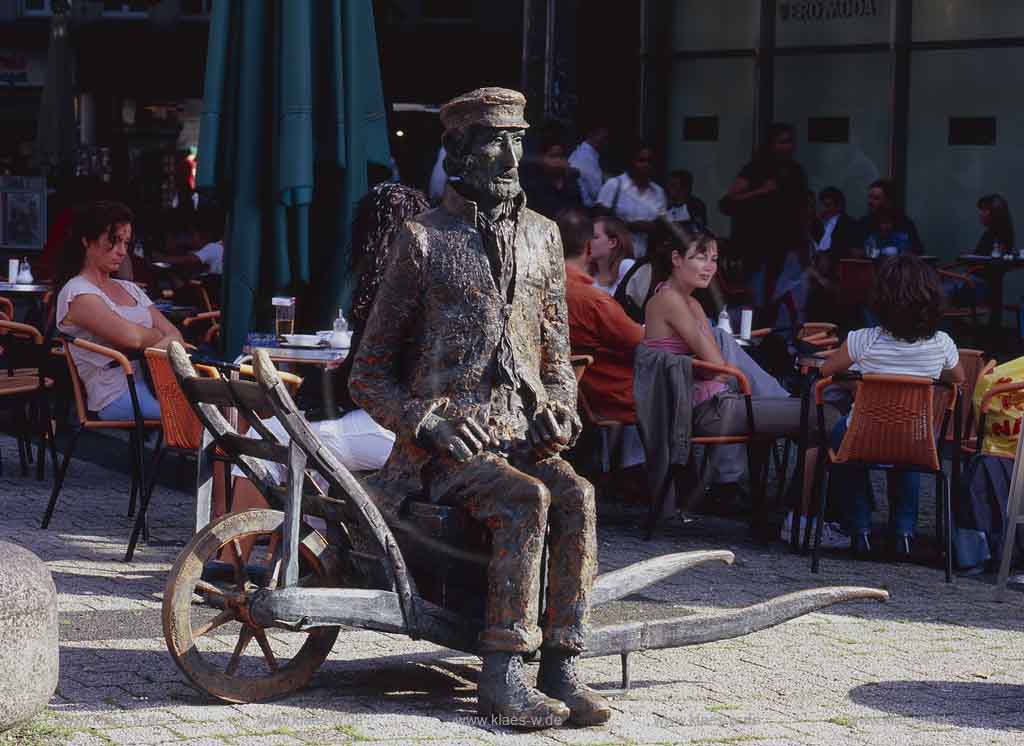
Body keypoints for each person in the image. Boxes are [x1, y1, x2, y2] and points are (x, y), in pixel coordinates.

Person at [350, 88, 610, 729]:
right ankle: (501, 674)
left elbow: (556, 359)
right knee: (527, 499)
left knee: (575, 493)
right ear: (459, 153)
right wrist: (428, 422)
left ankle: (560, 662)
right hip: (440, 455)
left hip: (520, 439)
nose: (511, 155)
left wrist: (559, 409)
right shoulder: (422, 239)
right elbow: (367, 375)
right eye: (495, 140)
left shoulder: (544, 238)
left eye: (518, 139)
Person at [642, 222, 843, 546]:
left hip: (715, 402)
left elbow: (718, 365)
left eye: (714, 259)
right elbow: (718, 365)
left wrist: (720, 370)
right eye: (700, 257)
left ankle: (800, 517)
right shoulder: (673, 301)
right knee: (829, 417)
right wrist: (720, 370)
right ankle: (803, 520)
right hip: (708, 411)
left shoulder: (687, 301)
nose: (710, 266)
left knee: (821, 417)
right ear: (676, 259)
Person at [820, 255, 964, 557]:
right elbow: (958, 377)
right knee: (909, 444)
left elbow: (827, 370)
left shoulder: (862, 340)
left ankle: (859, 529)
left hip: (862, 435)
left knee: (841, 437)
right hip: (915, 440)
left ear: (882, 299)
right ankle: (904, 533)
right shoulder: (941, 343)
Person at [55, 201, 183, 420]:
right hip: (114, 393)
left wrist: (147, 341)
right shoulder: (77, 292)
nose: (122, 251)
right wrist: (158, 337)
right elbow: (131, 338)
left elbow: (177, 336)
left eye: (126, 243)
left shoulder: (130, 288)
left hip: (154, 384)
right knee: (196, 418)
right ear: (87, 241)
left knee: (221, 412)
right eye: (114, 242)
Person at [559, 207, 645, 470]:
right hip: (612, 393)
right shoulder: (592, 299)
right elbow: (641, 342)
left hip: (579, 392)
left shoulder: (540, 287)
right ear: (588, 248)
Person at [718, 123, 809, 325]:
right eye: (782, 142)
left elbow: (802, 209)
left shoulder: (796, 171)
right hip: (756, 248)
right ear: (772, 145)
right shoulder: (755, 170)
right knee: (756, 301)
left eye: (790, 142)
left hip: (786, 248)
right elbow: (726, 203)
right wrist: (760, 192)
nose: (788, 147)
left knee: (785, 299)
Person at [596, 142, 667, 259]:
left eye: (650, 161)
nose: (646, 165)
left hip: (645, 257)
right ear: (631, 162)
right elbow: (599, 220)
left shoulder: (658, 192)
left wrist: (651, 227)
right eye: (641, 160)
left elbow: (662, 226)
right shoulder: (615, 185)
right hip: (615, 255)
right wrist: (628, 226)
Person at [523, 136, 581, 220]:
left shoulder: (571, 183)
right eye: (553, 156)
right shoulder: (534, 185)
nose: (557, 161)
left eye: (561, 156)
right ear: (543, 159)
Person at [861, 178, 923, 254]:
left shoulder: (905, 224)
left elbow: (917, 252)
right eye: (869, 197)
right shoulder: (863, 223)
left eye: (876, 198)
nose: (870, 202)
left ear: (888, 201)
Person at [588, 215, 634, 296]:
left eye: (595, 237)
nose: (588, 241)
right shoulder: (588, 274)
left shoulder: (626, 266)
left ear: (612, 243)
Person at [567, 123, 608, 208]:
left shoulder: (582, 153)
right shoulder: (586, 157)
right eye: (603, 137)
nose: (605, 142)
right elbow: (597, 193)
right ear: (591, 135)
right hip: (587, 210)